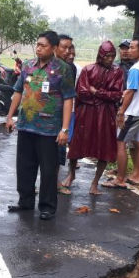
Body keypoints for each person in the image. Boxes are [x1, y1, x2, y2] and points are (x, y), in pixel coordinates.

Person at [5, 30, 76, 221]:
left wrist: (65, 129)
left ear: (53, 48)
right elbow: (18, 92)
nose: (38, 48)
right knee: (25, 167)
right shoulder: (28, 66)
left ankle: (47, 206)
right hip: (26, 125)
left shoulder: (63, 69)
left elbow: (69, 99)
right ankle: (25, 202)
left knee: (48, 169)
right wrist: (10, 116)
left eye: (43, 45)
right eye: (37, 44)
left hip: (49, 130)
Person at [62, 41, 124, 195]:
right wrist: (102, 96)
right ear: (100, 55)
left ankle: (95, 182)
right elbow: (81, 92)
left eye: (112, 56)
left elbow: (116, 95)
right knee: (77, 143)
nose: (110, 59)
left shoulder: (118, 72)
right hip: (87, 113)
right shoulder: (88, 69)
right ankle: (71, 174)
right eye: (107, 56)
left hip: (106, 115)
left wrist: (96, 92)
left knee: (104, 148)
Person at [103, 37, 139, 189]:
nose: (129, 50)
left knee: (121, 143)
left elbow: (131, 91)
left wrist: (121, 112)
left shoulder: (135, 69)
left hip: (132, 112)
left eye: (133, 48)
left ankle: (119, 179)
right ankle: (136, 176)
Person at [55, 34, 74, 194]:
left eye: (70, 48)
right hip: (44, 117)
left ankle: (56, 182)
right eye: (64, 47)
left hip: (61, 117)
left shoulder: (69, 67)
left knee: (58, 151)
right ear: (55, 47)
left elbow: (69, 97)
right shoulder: (43, 65)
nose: (68, 51)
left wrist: (66, 127)